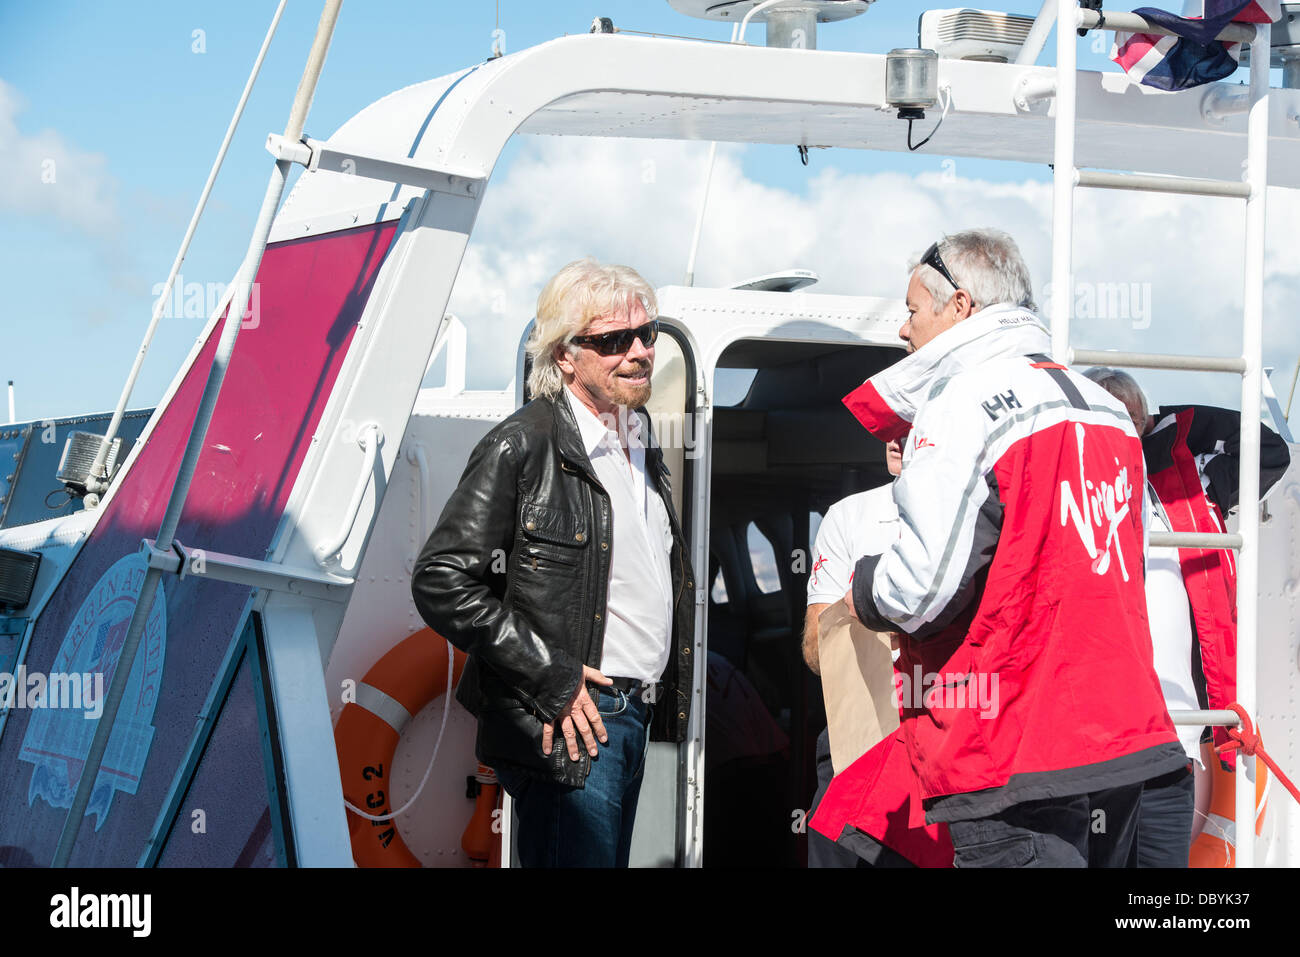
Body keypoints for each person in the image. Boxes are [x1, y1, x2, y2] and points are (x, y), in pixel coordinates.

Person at [840, 228, 1187, 867]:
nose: (902, 331)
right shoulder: (1106, 410)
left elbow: (921, 591)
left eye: (912, 310)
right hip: (1120, 738)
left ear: (961, 306)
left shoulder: (962, 404)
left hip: (1016, 746)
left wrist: (863, 589)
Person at [411, 258, 694, 868]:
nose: (639, 352)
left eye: (647, 334)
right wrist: (552, 677)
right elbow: (441, 579)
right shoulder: (524, 443)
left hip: (632, 713)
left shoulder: (639, 439)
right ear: (566, 356)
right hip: (573, 719)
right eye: (614, 341)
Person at [1083, 367, 1290, 867]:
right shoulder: (1070, 495)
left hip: (1173, 737)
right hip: (1092, 740)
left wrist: (1172, 424)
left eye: (1129, 420)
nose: (1120, 433)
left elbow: (1270, 451)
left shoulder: (1186, 488)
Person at [804, 439, 953, 868]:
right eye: (886, 426)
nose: (894, 438)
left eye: (908, 423)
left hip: (950, 734)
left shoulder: (980, 510)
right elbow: (816, 648)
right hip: (862, 736)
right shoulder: (850, 515)